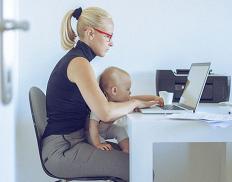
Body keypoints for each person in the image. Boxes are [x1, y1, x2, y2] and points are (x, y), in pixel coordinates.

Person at [42, 7, 158, 181]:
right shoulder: (79, 63)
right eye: (108, 36)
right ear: (90, 33)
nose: (111, 43)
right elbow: (105, 112)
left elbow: (108, 102)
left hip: (72, 142)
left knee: (140, 161)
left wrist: (148, 100)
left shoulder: (79, 61)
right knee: (140, 169)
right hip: (63, 149)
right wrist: (135, 104)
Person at [86, 67, 163, 153]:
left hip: (107, 130)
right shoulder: (99, 105)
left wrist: (154, 98)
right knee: (96, 140)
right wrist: (98, 144)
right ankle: (104, 150)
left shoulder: (121, 101)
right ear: (114, 90)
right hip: (94, 134)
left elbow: (137, 99)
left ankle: (127, 149)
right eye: (127, 89)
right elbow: (92, 127)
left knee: (120, 130)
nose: (130, 92)